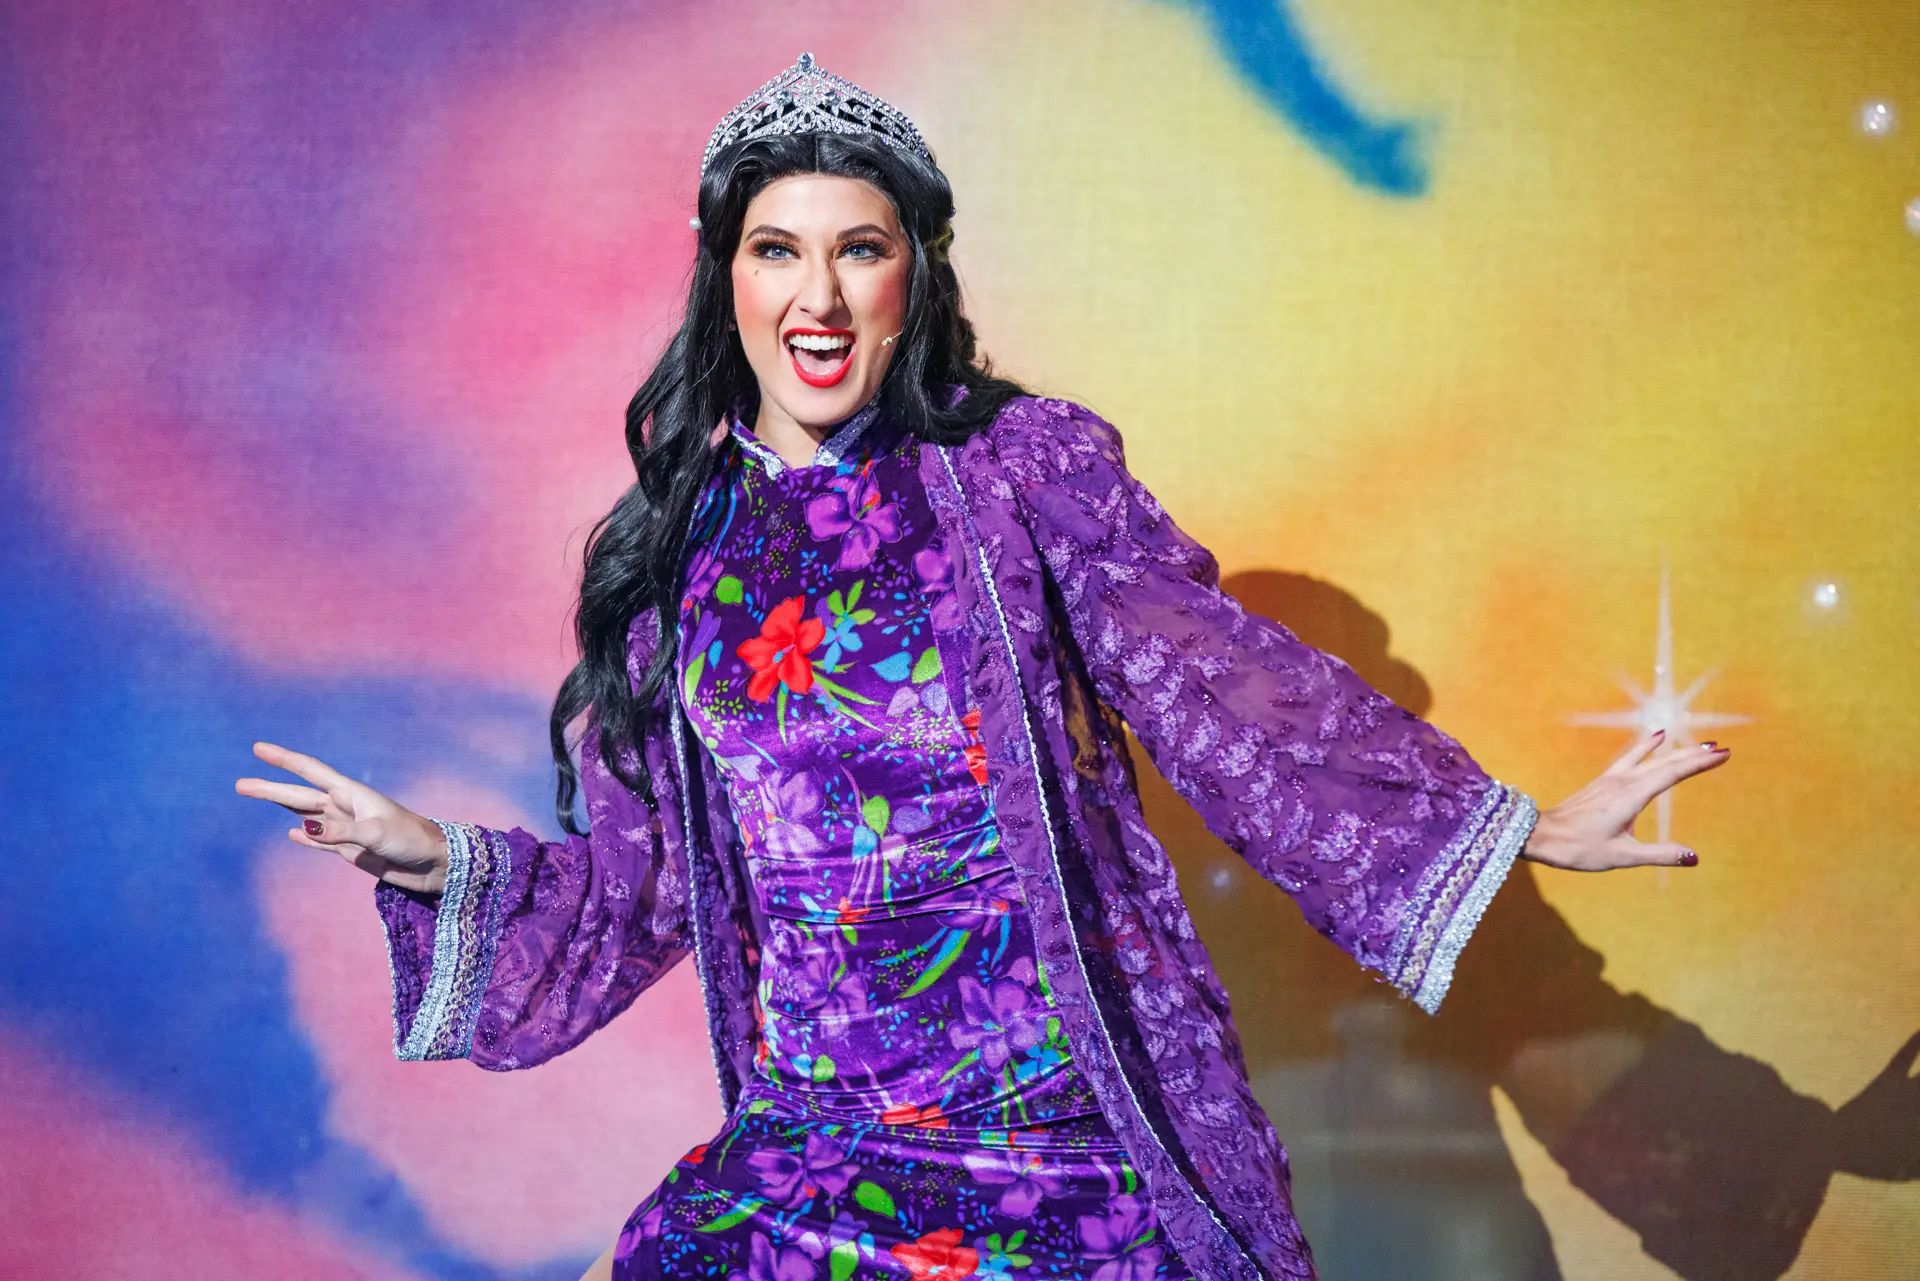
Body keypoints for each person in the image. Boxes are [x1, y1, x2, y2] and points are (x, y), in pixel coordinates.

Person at [236, 53, 1730, 1281]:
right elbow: (645, 886)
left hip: (1072, 1147)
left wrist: (1515, 822)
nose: (816, 297)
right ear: (727, 279)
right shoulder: (669, 565)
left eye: (858, 250)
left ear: (911, 276)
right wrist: (433, 858)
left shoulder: (1019, 471)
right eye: (778, 251)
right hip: (818, 1151)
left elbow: (1222, 692)